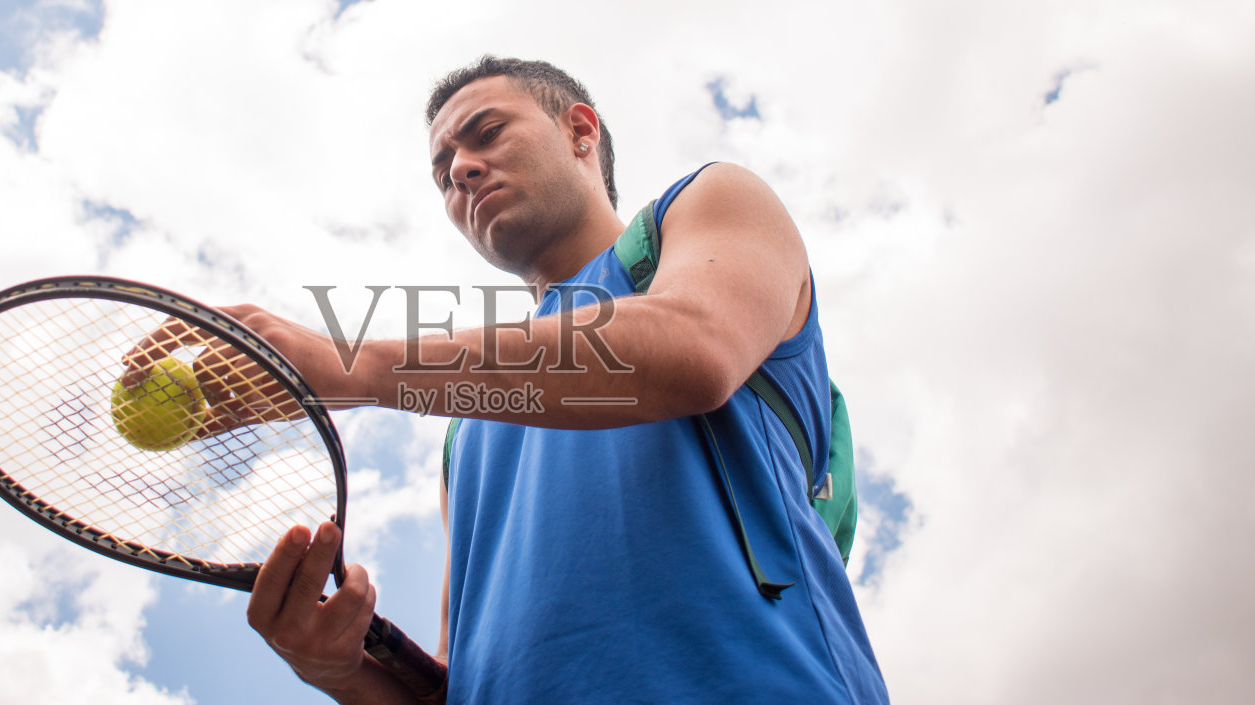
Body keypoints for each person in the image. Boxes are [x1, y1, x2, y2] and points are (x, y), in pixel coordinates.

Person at [224, 56, 890, 704]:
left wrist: (351, 364)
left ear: (580, 131)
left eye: (486, 134)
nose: (460, 169)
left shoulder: (709, 204)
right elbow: (458, 684)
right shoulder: (466, 432)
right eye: (442, 172)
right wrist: (341, 673)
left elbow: (698, 346)